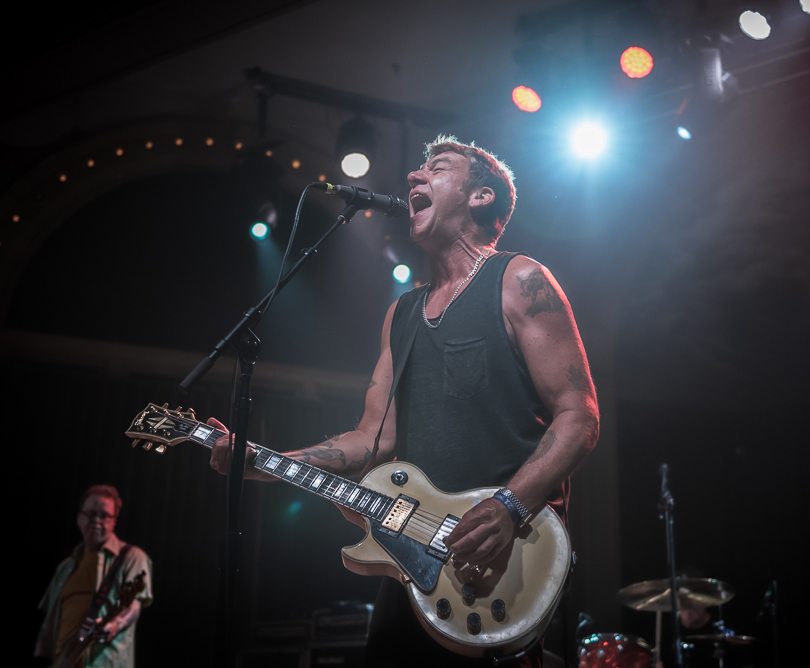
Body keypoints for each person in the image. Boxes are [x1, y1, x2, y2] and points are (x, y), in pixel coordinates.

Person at [209, 136, 600, 667]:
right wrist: (261, 464)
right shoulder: (403, 313)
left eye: (436, 169)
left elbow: (579, 415)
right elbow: (372, 439)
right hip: (412, 559)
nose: (414, 178)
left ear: (481, 197)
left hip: (499, 557)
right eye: (416, 171)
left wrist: (509, 505)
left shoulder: (519, 280)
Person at [36, 485, 154, 668]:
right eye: (91, 513)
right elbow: (48, 621)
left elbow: (134, 605)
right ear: (79, 518)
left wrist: (113, 626)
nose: (97, 521)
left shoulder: (132, 557)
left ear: (114, 521)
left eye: (105, 515)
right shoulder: (65, 566)